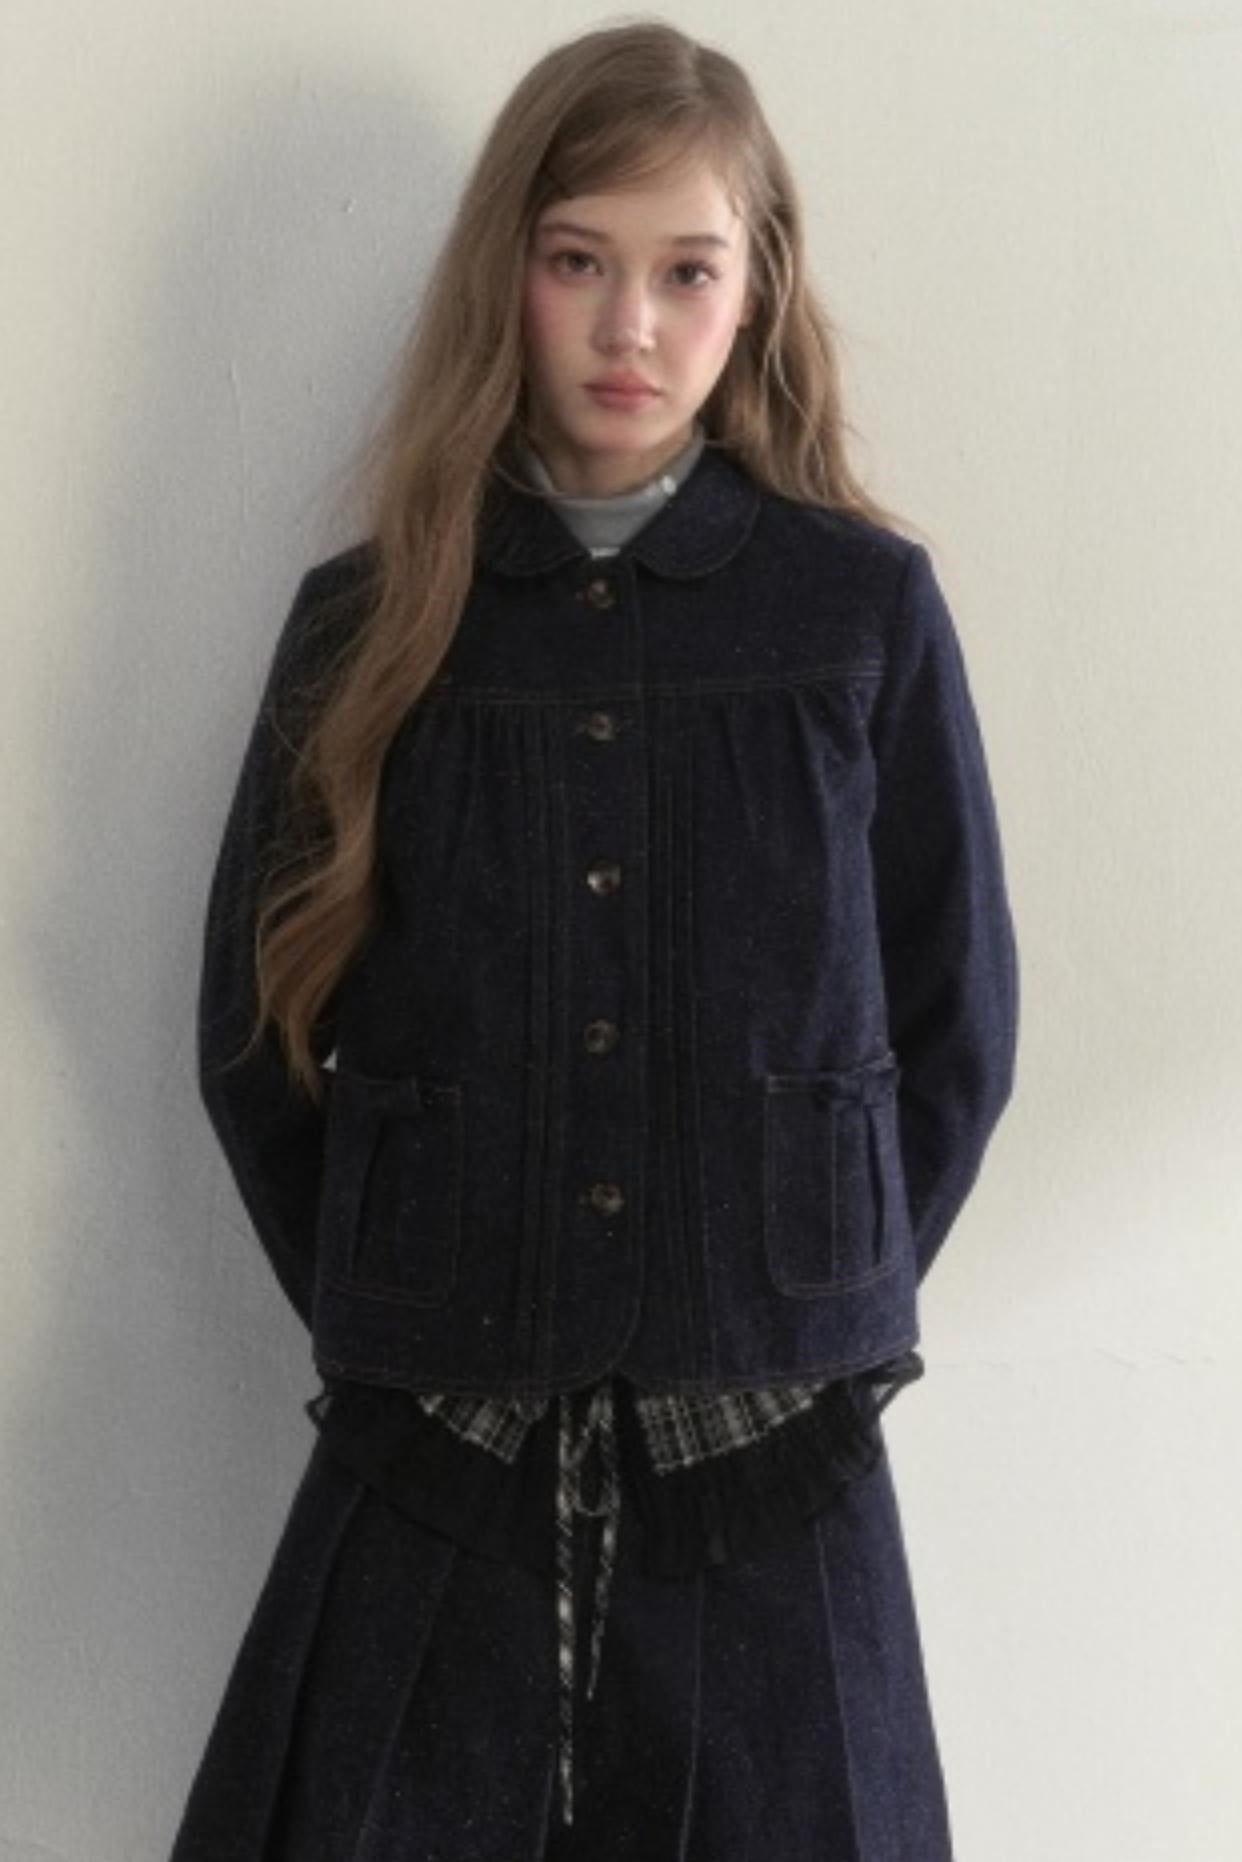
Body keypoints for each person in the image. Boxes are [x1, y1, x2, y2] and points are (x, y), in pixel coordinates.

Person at [169, 19, 1019, 1861]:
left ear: (753, 287)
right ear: (509, 274)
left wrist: (809, 1299)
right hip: (434, 1457)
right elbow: (253, 1040)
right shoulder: (371, 626)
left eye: (683, 271)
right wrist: (410, 1305)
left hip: (772, 1462)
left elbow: (955, 1023)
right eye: (577, 262)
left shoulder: (856, 611)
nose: (628, 326)